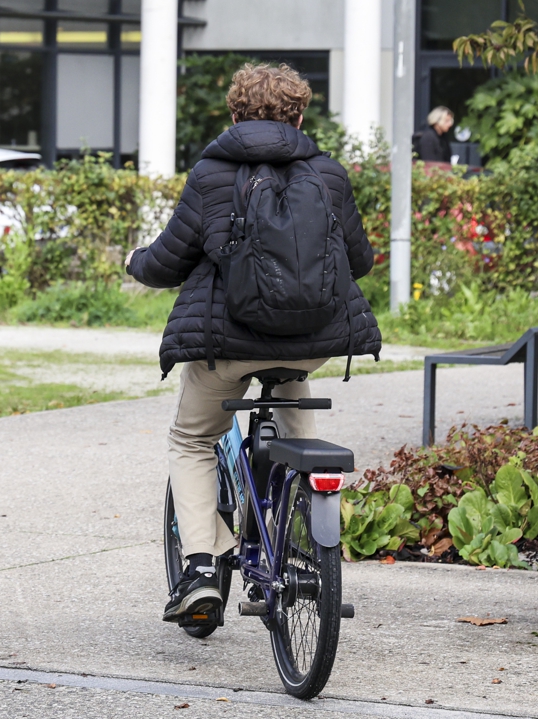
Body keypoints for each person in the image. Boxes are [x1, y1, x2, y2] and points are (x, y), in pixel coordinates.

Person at [124, 63, 382, 622]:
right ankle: (300, 520)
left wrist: (134, 262)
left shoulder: (212, 174)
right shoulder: (329, 174)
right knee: (291, 388)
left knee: (191, 439)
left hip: (229, 343)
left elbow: (168, 260)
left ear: (235, 113)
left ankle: (199, 570)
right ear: (300, 116)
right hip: (310, 341)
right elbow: (360, 260)